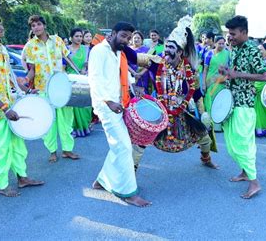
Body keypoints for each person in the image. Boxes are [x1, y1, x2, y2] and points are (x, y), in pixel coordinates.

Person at [133, 17, 218, 170]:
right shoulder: (156, 63)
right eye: (166, 47)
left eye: (171, 49)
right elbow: (134, 57)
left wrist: (203, 113)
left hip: (182, 110)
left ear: (180, 52)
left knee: (204, 136)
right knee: (143, 139)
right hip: (160, 109)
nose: (167, 51)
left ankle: (206, 158)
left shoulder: (188, 70)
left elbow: (196, 94)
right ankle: (131, 170)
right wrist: (118, 48)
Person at [0, 13, 44, 197]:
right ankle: (3, 185)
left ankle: (23, 178)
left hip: (12, 108)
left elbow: (9, 78)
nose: (2, 28)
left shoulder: (2, 49)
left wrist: (25, 91)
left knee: (18, 147)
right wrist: (4, 109)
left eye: (0, 25)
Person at [88, 21, 151, 207]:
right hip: (106, 106)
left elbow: (122, 74)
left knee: (119, 145)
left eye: (129, 38)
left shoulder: (118, 52)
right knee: (124, 146)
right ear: (113, 33)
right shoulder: (99, 51)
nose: (126, 40)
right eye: (123, 36)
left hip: (119, 103)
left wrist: (134, 86)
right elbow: (95, 79)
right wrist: (108, 101)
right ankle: (128, 192)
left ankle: (102, 180)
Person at [219, 15, 266, 199]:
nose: (230, 37)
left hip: (245, 104)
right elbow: (234, 74)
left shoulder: (252, 50)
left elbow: (265, 76)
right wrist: (227, 72)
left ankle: (254, 183)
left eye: (233, 33)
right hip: (232, 103)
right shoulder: (234, 49)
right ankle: (244, 171)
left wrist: (237, 74)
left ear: (244, 32)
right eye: (229, 34)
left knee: (242, 144)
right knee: (233, 145)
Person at [23, 15, 80, 162]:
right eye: (33, 26)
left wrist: (79, 72)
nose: (36, 28)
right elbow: (32, 70)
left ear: (44, 25)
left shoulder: (57, 40)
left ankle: (67, 150)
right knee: (48, 121)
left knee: (66, 120)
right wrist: (26, 80)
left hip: (61, 87)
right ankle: (52, 151)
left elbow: (67, 58)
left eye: (38, 24)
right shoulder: (30, 46)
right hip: (43, 89)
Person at [66, 28, 93, 137]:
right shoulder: (66, 50)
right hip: (70, 80)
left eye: (81, 36)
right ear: (71, 37)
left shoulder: (86, 49)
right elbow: (63, 65)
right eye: (76, 36)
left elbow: (90, 64)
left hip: (83, 80)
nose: (79, 38)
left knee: (83, 105)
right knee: (72, 105)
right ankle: (72, 129)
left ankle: (84, 127)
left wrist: (85, 70)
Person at [203, 36, 230, 113]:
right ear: (215, 43)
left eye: (223, 43)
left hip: (222, 82)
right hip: (210, 81)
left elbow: (229, 68)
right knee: (210, 100)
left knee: (220, 102)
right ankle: (210, 121)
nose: (221, 45)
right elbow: (205, 70)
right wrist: (204, 84)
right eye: (219, 43)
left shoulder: (227, 54)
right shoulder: (209, 54)